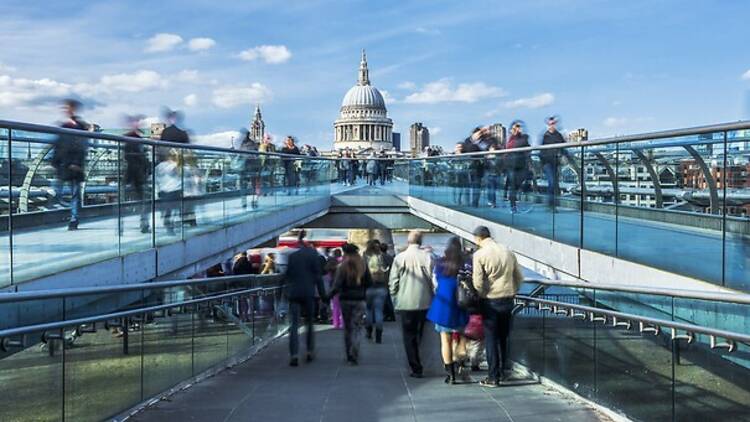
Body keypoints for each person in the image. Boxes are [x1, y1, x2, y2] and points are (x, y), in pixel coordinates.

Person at [471, 226, 523, 387]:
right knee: (503, 337)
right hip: (508, 299)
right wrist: (512, 290)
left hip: (490, 301)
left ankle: (493, 377)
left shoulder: (479, 254)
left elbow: (478, 282)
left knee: (491, 339)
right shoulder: (507, 251)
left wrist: (481, 295)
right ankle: (503, 371)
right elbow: (518, 276)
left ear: (478, 238)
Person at [389, 230, 434, 378]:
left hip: (406, 301)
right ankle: (421, 357)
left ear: (408, 242)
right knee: (420, 332)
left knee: (408, 335)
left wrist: (394, 298)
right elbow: (434, 281)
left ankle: (415, 366)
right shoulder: (427, 257)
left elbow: (393, 281)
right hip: (424, 301)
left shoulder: (400, 258)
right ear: (420, 242)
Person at [427, 236, 469, 385]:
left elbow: (435, 283)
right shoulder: (466, 262)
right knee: (461, 335)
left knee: (445, 340)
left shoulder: (440, 263)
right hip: (461, 303)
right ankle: (460, 358)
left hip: (444, 304)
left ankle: (450, 375)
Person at [285, 230, 326, 366]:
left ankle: (294, 355)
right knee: (309, 323)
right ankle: (309, 351)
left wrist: (283, 293)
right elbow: (318, 277)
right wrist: (323, 294)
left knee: (294, 325)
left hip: (294, 293)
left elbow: (287, 276)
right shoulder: (313, 255)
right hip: (308, 293)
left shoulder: (293, 257)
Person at [329, 243, 372, 365]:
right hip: (360, 300)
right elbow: (369, 282)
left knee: (348, 328)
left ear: (345, 253)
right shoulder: (363, 265)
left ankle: (349, 354)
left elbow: (336, 286)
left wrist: (328, 296)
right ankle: (355, 351)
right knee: (357, 327)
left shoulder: (342, 267)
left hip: (346, 300)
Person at [51, 98, 90, 230]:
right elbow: (58, 145)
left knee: (74, 193)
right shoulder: (65, 126)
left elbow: (82, 147)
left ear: (73, 109)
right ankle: (72, 217)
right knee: (61, 192)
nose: (66, 110)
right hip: (64, 164)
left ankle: (74, 219)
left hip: (73, 164)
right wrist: (55, 162)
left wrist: (76, 162)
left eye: (67, 107)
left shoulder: (79, 126)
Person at [122, 114, 151, 234]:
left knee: (141, 200)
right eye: (135, 122)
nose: (137, 124)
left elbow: (126, 156)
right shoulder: (134, 139)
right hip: (135, 174)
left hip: (133, 174)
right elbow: (132, 157)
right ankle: (143, 224)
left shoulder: (133, 138)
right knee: (143, 200)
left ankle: (142, 224)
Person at [363, 239, 389, 343]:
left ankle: (369, 331)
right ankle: (378, 335)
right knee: (379, 311)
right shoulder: (381, 257)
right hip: (381, 287)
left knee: (368, 311)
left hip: (369, 287)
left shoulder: (365, 257)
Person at [155, 148, 182, 235]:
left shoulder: (158, 167)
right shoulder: (173, 165)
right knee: (174, 210)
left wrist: (157, 190)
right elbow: (178, 172)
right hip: (174, 190)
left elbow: (156, 180)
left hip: (163, 191)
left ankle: (168, 223)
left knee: (168, 210)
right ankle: (170, 226)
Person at [540, 116, 565, 209]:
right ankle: (551, 204)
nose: (552, 126)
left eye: (553, 124)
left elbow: (563, 148)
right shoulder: (545, 136)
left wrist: (563, 157)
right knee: (552, 182)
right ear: (548, 125)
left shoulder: (559, 135)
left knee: (554, 183)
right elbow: (541, 151)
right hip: (547, 163)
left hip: (555, 162)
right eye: (550, 124)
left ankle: (552, 204)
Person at [505, 121, 530, 213]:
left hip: (521, 165)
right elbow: (510, 148)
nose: (516, 129)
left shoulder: (524, 137)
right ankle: (513, 206)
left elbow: (525, 146)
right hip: (511, 166)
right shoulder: (510, 140)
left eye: (518, 127)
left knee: (517, 184)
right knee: (512, 186)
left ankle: (513, 200)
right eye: (514, 128)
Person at [380, 243, 396, 321]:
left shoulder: (381, 257)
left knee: (385, 299)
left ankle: (387, 315)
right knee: (387, 298)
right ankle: (390, 315)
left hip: (382, 279)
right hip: (388, 278)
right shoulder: (389, 257)